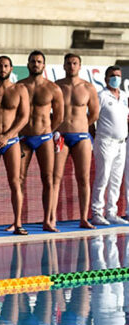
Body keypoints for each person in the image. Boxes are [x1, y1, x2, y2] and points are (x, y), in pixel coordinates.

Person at [0, 56, 30, 235]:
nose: (3, 69)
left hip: (12, 142)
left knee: (15, 182)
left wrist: (7, 136)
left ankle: (17, 223)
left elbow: (24, 117)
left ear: (11, 68)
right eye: (0, 66)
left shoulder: (20, 89)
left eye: (6, 66)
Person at [16, 50, 63, 232]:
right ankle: (17, 221)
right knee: (18, 179)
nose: (36, 64)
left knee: (48, 179)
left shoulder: (52, 88)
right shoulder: (19, 87)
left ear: (44, 65)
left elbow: (59, 117)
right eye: (33, 61)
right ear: (28, 64)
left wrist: (48, 132)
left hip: (44, 138)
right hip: (24, 138)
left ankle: (48, 220)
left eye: (39, 61)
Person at [53, 53, 99, 229]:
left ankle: (83, 218)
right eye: (68, 63)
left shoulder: (88, 88)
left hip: (81, 137)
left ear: (80, 66)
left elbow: (94, 113)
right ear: (63, 66)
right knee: (55, 178)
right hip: (61, 137)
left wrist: (81, 126)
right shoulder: (57, 86)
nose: (71, 66)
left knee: (83, 178)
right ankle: (51, 218)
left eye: (75, 63)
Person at [91, 66, 128, 226]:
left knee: (116, 179)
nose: (116, 78)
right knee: (103, 177)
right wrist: (95, 137)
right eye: (113, 76)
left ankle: (111, 211)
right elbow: (91, 118)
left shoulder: (125, 96)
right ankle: (97, 212)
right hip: (106, 141)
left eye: (118, 76)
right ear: (106, 79)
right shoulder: (101, 96)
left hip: (122, 143)